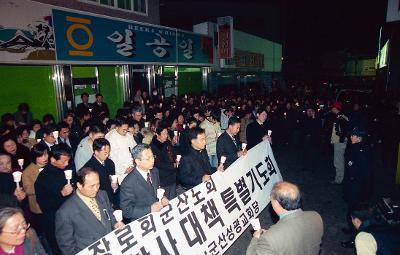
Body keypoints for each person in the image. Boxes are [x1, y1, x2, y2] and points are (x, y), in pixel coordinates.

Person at [55, 167, 124, 255]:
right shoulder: (65, 212)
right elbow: (67, 246)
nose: (96, 189)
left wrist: (116, 224)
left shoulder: (102, 194)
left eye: (98, 184)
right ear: (79, 185)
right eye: (91, 186)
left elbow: (110, 213)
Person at [246, 181, 323, 255]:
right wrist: (273, 235)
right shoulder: (316, 217)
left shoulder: (269, 239)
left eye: (271, 198)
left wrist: (256, 238)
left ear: (276, 203)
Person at [35, 144, 75, 255]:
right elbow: (44, 205)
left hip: (71, 216)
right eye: (63, 161)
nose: (67, 164)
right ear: (52, 159)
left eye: (68, 161)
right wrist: (61, 194)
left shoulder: (66, 170)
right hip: (54, 222)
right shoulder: (43, 178)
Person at [119, 144, 169, 221]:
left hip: (159, 217)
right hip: (143, 222)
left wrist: (162, 197)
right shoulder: (128, 183)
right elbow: (127, 211)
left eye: (152, 156)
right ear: (137, 161)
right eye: (148, 158)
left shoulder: (155, 171)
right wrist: (150, 209)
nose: (152, 160)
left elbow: (156, 189)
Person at [21, 144, 48, 235]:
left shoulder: (50, 166)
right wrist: (42, 185)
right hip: (38, 206)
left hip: (52, 203)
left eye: (46, 154)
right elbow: (28, 189)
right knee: (43, 231)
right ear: (34, 157)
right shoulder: (28, 171)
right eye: (41, 155)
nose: (45, 157)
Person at [84, 138, 118, 206]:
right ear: (96, 152)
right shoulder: (89, 168)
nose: (107, 155)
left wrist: (115, 187)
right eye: (105, 153)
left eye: (108, 152)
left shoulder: (110, 163)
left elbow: (114, 181)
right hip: (99, 202)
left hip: (113, 200)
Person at [150, 123, 177, 199]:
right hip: (163, 176)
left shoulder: (167, 142)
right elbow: (157, 163)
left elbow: (173, 152)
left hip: (172, 174)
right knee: (165, 198)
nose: (166, 136)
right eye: (164, 134)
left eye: (167, 133)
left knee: (173, 196)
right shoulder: (153, 146)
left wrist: (176, 160)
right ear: (157, 134)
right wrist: (172, 166)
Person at [324, 101, 349, 184]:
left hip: (340, 143)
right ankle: (339, 177)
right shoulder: (338, 117)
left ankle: (339, 179)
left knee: (338, 161)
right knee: (338, 161)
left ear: (335, 108)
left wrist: (340, 140)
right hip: (338, 142)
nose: (331, 109)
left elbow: (345, 132)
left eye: (332, 107)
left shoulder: (341, 118)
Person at [105, 118, 137, 183]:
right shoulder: (111, 139)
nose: (126, 132)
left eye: (127, 129)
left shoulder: (129, 136)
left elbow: (135, 149)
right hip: (121, 172)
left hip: (132, 166)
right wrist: (124, 169)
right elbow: (112, 158)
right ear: (117, 128)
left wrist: (134, 164)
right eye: (123, 130)